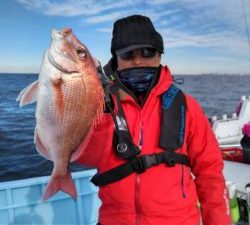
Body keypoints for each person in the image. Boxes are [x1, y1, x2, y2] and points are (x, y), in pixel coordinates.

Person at [76, 14, 231, 225]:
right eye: (128, 54)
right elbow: (86, 157)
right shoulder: (98, 104)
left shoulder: (186, 106)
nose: (138, 60)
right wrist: (101, 108)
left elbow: (210, 172)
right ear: (116, 60)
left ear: (159, 56)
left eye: (147, 52)